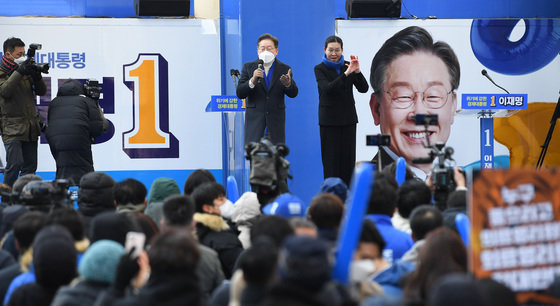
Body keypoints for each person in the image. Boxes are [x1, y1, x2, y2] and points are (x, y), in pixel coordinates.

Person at [368, 26, 460, 179]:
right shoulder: (362, 193)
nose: (419, 113)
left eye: (433, 96)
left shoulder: (465, 189)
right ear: (376, 108)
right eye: (403, 96)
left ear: (452, 107)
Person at [314, 35, 369, 185]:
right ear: (324, 50)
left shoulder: (348, 66)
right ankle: (332, 196)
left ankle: (348, 198)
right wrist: (346, 74)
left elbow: (364, 89)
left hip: (348, 121)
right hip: (329, 122)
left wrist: (357, 71)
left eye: (337, 50)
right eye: (330, 50)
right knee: (331, 163)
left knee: (348, 163)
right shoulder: (319, 69)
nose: (334, 53)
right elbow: (328, 89)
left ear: (342, 50)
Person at [0, 37, 47, 187]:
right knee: (15, 164)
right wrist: (19, 71)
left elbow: (42, 91)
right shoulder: (2, 71)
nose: (22, 57)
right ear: (8, 54)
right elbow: (5, 91)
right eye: (19, 54)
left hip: (30, 126)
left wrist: (37, 76)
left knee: (30, 168)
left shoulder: (26, 70)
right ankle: (7, 198)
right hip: (11, 128)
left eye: (23, 53)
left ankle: (27, 200)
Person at [237, 33, 298, 145]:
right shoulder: (248, 67)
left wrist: (288, 84)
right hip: (255, 124)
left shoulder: (284, 68)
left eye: (269, 48)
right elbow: (240, 93)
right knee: (256, 160)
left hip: (275, 124)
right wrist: (253, 80)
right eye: (262, 48)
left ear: (276, 51)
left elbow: (293, 93)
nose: (266, 51)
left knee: (276, 159)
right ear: (257, 50)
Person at [46, 79, 108, 185]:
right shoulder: (87, 101)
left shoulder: (54, 102)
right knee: (85, 174)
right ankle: (86, 196)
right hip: (79, 140)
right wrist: (95, 104)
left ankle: (61, 196)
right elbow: (97, 128)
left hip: (56, 141)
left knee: (63, 169)